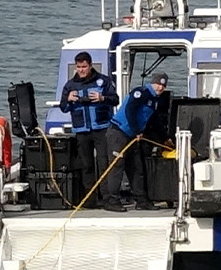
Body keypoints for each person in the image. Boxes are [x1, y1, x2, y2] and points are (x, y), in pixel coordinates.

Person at [57, 52, 121, 209]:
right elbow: (63, 108)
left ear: (90, 65)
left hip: (101, 129)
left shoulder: (103, 81)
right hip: (82, 130)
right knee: (86, 165)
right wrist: (68, 99)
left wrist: (102, 98)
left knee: (104, 163)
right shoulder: (70, 85)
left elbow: (116, 100)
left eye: (84, 67)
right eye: (78, 67)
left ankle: (107, 198)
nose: (81, 70)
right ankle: (90, 199)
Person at [105, 72, 169, 209]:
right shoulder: (141, 93)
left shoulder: (155, 100)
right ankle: (112, 201)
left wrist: (165, 138)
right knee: (117, 167)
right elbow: (130, 111)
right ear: (152, 83)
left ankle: (141, 201)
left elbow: (154, 120)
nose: (160, 88)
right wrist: (137, 131)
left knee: (136, 167)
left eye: (163, 86)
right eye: (158, 84)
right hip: (118, 132)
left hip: (132, 136)